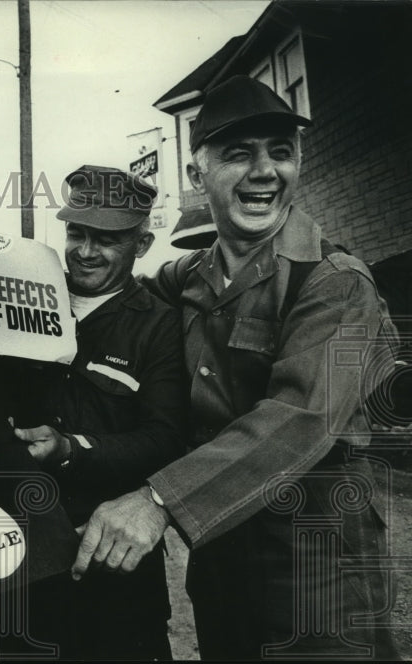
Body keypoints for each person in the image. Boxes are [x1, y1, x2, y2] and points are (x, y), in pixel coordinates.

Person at [70, 75, 398, 659]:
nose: (264, 171)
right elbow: (114, 294)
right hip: (222, 556)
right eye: (239, 154)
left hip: (318, 562)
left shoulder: (336, 281)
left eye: (281, 152)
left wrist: (158, 500)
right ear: (198, 177)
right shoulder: (187, 277)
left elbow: (301, 416)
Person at [0, 166, 185, 660]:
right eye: (77, 233)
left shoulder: (161, 325)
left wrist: (71, 449)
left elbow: (165, 436)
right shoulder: (25, 296)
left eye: (106, 239)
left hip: (117, 566)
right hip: (27, 561)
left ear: (141, 245)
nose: (84, 251)